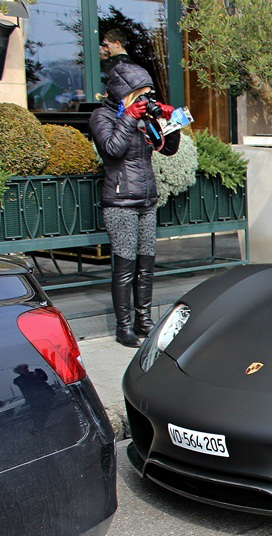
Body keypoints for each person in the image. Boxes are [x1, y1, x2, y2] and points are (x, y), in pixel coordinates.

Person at [89, 61, 180, 347]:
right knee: (126, 266)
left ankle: (144, 321)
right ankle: (124, 326)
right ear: (123, 92)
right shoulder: (101, 116)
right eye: (139, 95)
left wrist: (170, 119)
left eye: (147, 95)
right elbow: (112, 149)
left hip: (146, 198)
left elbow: (168, 149)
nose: (145, 101)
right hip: (119, 200)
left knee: (146, 264)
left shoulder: (143, 118)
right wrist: (128, 117)